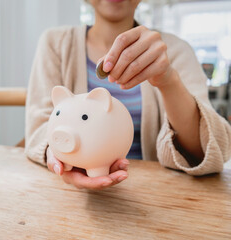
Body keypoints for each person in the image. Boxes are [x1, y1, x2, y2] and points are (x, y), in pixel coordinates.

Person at [25, 0, 231, 190]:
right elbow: (39, 126)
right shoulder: (55, 43)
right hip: (66, 192)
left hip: (158, 194)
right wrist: (61, 155)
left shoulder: (176, 51)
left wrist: (168, 81)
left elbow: (209, 148)